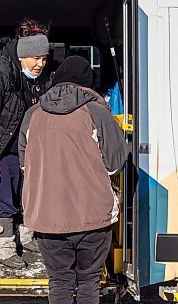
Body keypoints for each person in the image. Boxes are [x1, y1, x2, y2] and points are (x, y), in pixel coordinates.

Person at [18, 56, 128, 303]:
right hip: (92, 216)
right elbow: (114, 164)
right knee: (89, 281)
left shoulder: (33, 114)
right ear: (89, 83)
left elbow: (25, 165)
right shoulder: (97, 112)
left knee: (59, 281)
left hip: (47, 217)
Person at [0, 19, 51, 269]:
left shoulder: (32, 78)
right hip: (2, 149)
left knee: (26, 196)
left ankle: (26, 238)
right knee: (3, 200)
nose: (40, 64)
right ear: (22, 55)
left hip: (25, 148)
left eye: (44, 58)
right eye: (35, 59)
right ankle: (4, 247)